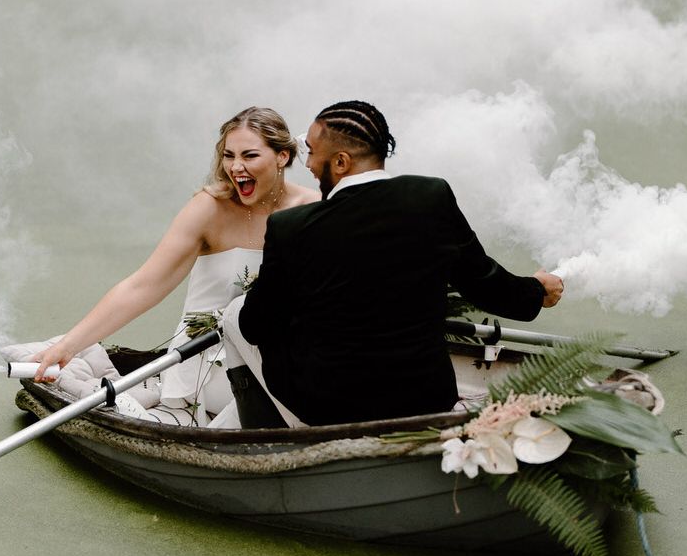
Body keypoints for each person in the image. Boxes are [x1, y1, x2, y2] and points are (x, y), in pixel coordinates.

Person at [222, 100, 564, 427]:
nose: (308, 164)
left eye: (311, 152)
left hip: (330, 410)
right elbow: (486, 284)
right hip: (427, 399)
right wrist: (537, 290)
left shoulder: (290, 227)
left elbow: (256, 326)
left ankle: (268, 440)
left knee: (236, 313)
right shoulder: (432, 197)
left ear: (341, 162)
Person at [31, 106, 320, 425]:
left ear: (282, 156)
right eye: (228, 156)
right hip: (205, 362)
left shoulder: (313, 209)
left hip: (275, 354)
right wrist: (68, 346)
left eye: (249, 156)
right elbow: (143, 286)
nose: (236, 167)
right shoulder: (209, 209)